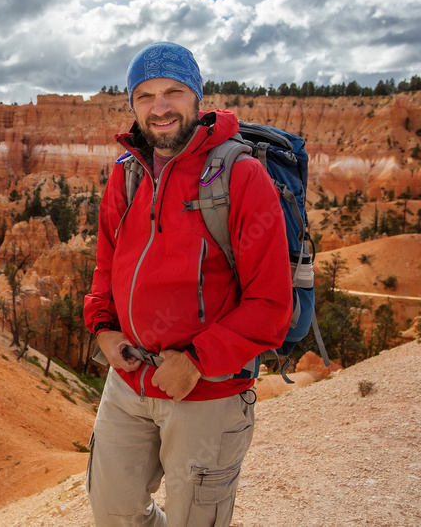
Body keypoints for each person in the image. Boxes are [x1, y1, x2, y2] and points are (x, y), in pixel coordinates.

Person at [83, 41, 292, 526]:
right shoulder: (127, 174)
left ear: (197, 97)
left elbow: (271, 303)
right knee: (113, 510)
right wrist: (104, 328)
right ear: (132, 105)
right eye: (145, 96)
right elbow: (106, 267)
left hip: (208, 392)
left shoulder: (239, 177)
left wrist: (196, 362)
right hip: (130, 378)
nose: (160, 108)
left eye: (173, 92)